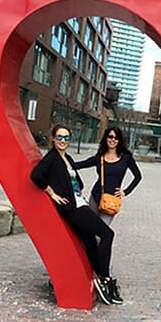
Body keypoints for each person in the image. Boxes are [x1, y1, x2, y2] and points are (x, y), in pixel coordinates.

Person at [30, 124, 122, 305]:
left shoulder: (68, 158)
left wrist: (79, 193)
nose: (63, 141)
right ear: (53, 139)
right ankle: (105, 279)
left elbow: (77, 182)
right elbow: (36, 175)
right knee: (107, 234)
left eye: (66, 138)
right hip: (73, 210)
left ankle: (98, 277)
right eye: (59, 137)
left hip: (81, 204)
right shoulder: (52, 158)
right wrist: (52, 193)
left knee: (89, 240)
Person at [75, 127, 142, 225]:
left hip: (112, 200)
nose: (113, 140)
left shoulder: (126, 158)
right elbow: (79, 165)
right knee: (89, 228)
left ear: (119, 140)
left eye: (116, 137)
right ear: (106, 138)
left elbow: (138, 176)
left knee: (101, 230)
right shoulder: (99, 157)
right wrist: (63, 161)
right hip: (95, 197)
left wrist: (125, 192)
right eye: (110, 137)